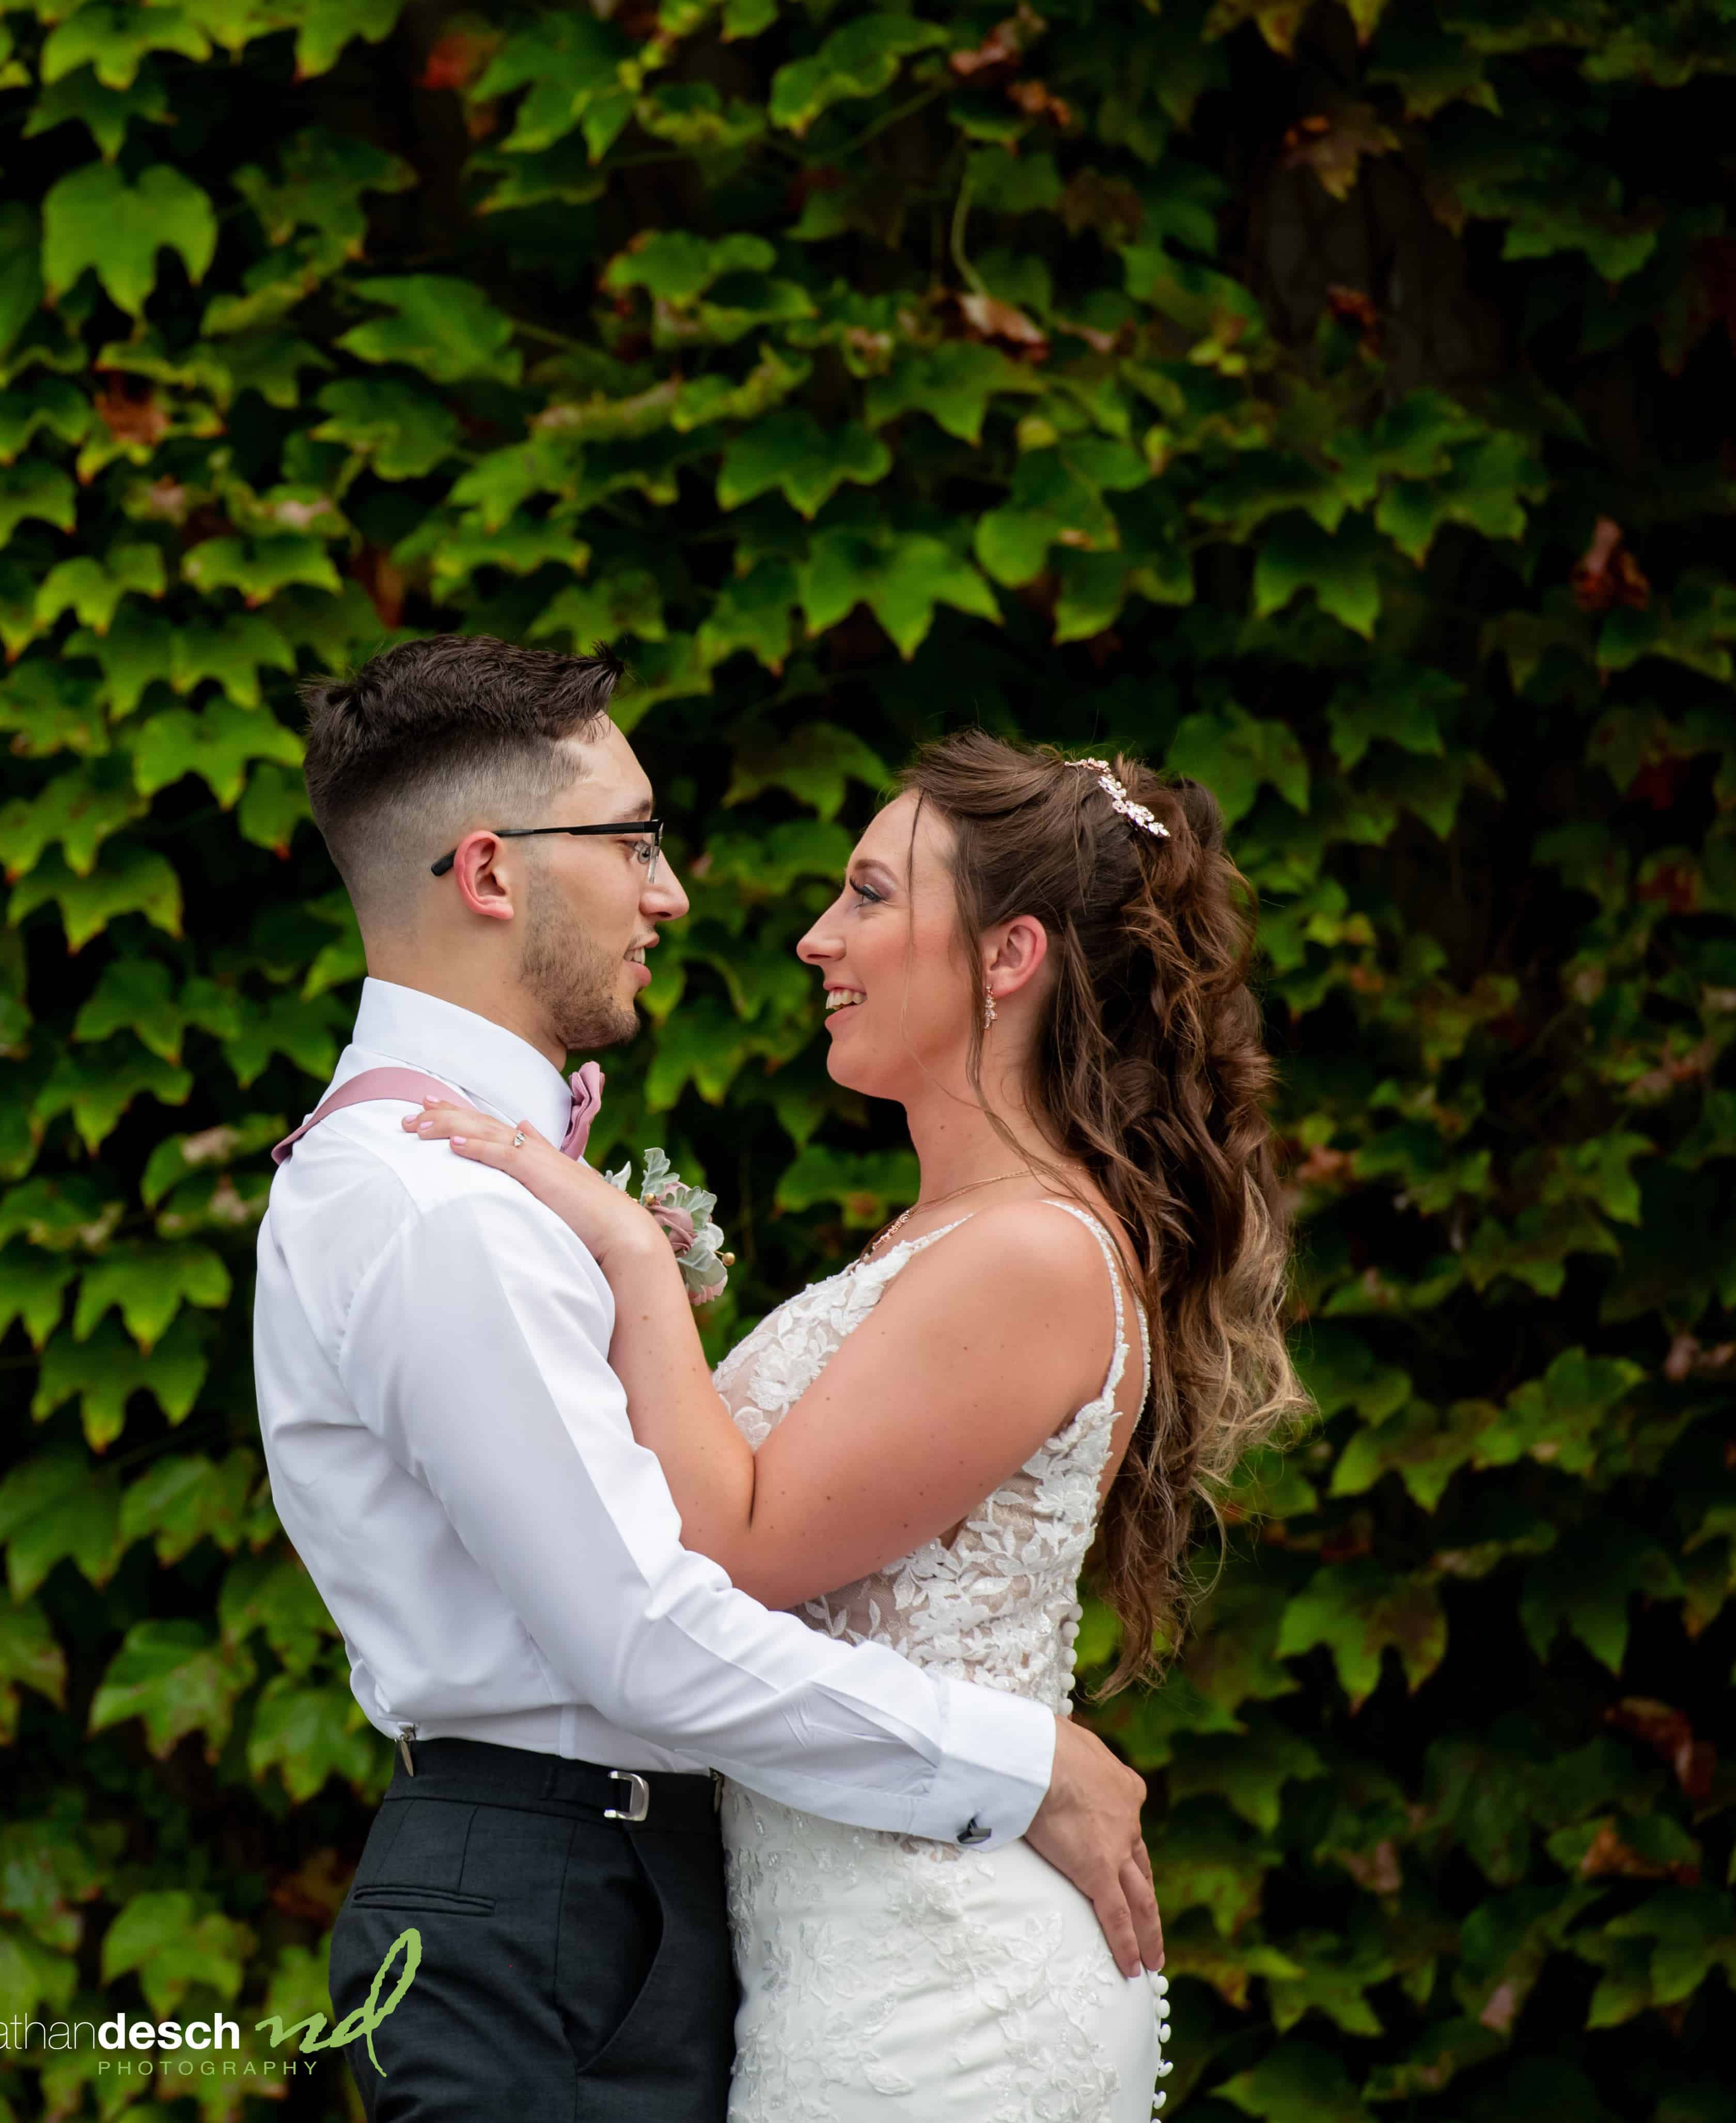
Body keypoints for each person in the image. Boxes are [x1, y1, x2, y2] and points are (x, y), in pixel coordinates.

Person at [255, 636, 1167, 2121]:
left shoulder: (499, 1181)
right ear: (489, 875)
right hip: (553, 1895)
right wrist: (1023, 1762)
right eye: (631, 841)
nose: (674, 893)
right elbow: (644, 1634)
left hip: (678, 1907)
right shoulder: (438, 1199)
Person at [401, 727, 1304, 2119]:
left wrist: (638, 1267)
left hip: (940, 1998)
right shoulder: (947, 1233)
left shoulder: (1033, 1255)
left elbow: (741, 1547)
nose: (820, 940)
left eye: (872, 897)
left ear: (1011, 958)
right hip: (849, 1967)